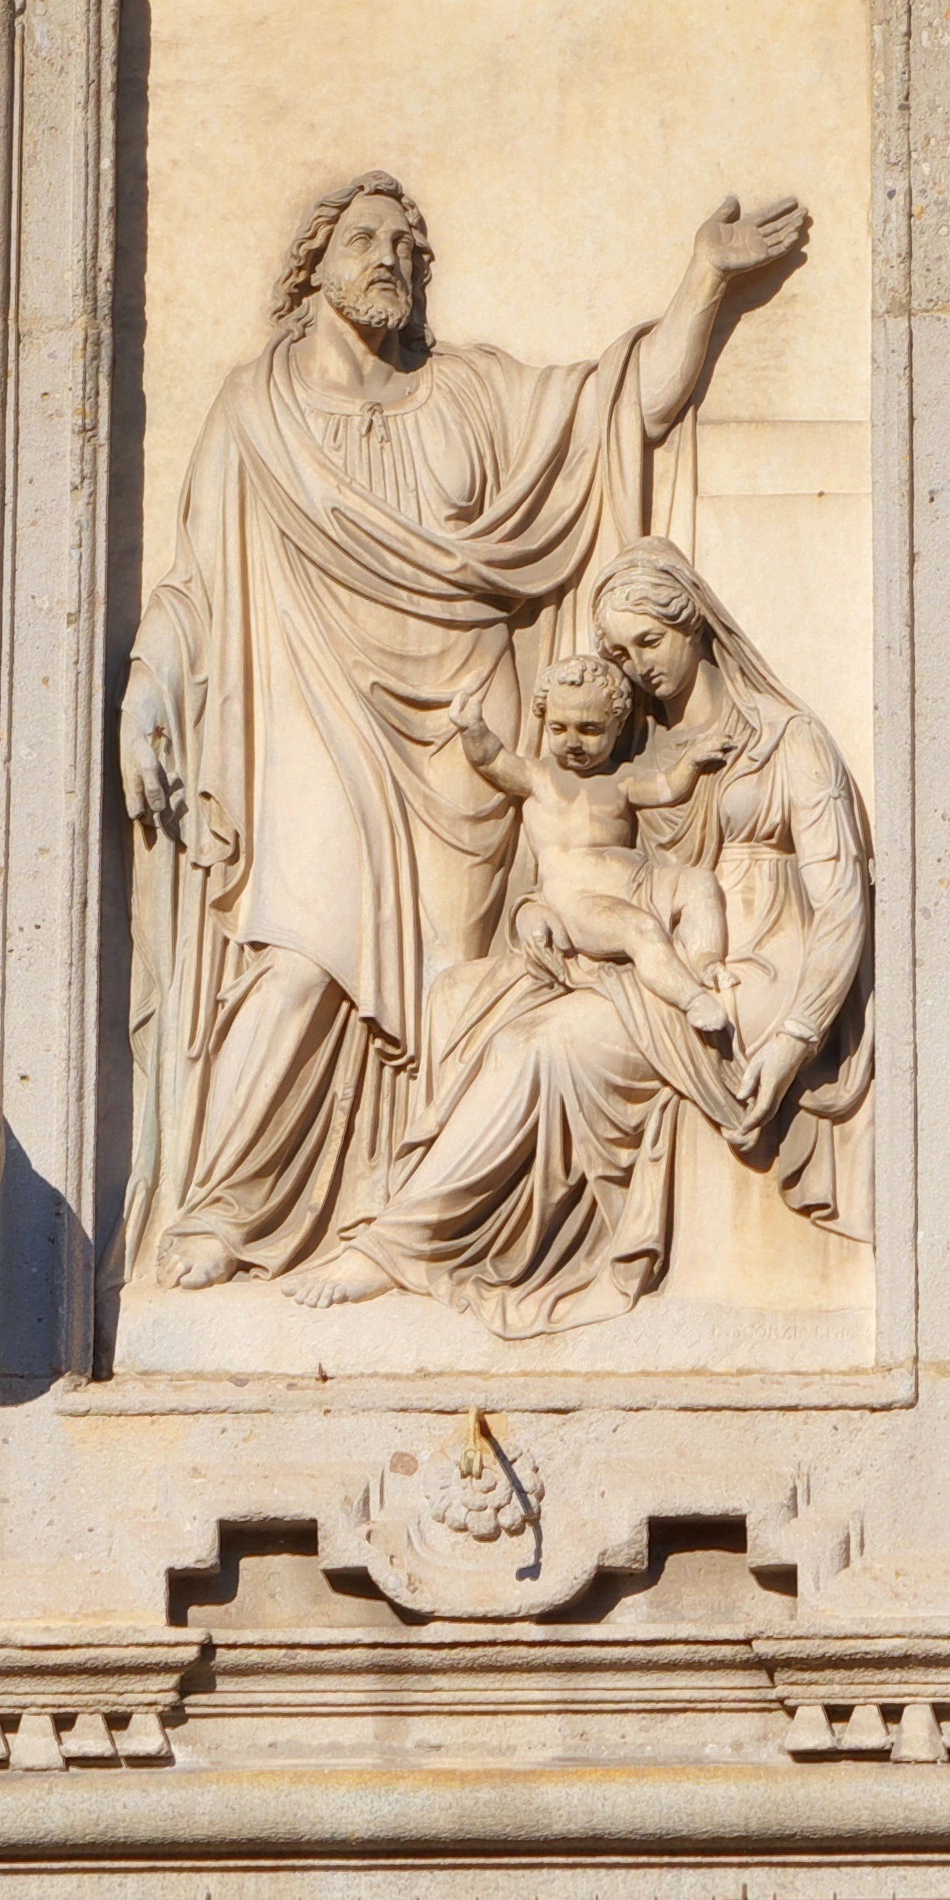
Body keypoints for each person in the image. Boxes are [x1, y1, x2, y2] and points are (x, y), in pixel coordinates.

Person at [122, 173, 806, 1285]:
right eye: (366, 236)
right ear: (315, 263)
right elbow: (194, 582)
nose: (391, 254)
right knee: (298, 954)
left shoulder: (470, 394)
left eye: (407, 240)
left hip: (465, 740)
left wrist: (706, 280)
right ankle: (224, 1206)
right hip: (313, 705)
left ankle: (410, 1216)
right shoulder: (255, 411)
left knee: (457, 981)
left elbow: (622, 409)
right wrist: (148, 689)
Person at [288, 537, 873, 1333]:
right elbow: (580, 859)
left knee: (535, 1047)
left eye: (649, 641)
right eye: (618, 649)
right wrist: (537, 915)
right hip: (638, 954)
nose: (635, 663)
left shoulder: (784, 738)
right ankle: (422, 1220)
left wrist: (796, 1035)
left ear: (694, 625)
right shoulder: (626, 747)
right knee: (463, 1003)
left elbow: (840, 901)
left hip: (759, 966)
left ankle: (399, 1246)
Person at [418, 653, 736, 1031]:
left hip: (638, 881)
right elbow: (492, 760)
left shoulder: (622, 778)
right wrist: (472, 727)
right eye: (559, 729)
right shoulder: (537, 777)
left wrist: (693, 761)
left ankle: (706, 962)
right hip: (578, 899)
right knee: (642, 930)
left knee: (699, 882)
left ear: (617, 726)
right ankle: (693, 1000)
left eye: (589, 729)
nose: (572, 742)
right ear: (545, 723)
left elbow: (667, 788)